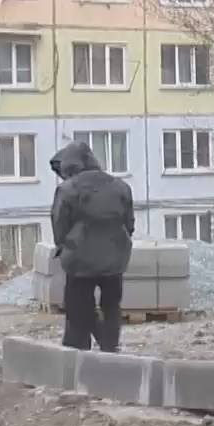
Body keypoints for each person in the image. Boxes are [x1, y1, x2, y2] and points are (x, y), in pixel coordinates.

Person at [49, 140, 136, 353]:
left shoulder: (67, 190)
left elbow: (59, 224)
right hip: (115, 257)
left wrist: (65, 247)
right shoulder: (121, 186)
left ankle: (78, 349)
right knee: (111, 306)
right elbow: (130, 223)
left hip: (80, 260)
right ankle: (110, 346)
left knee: (78, 307)